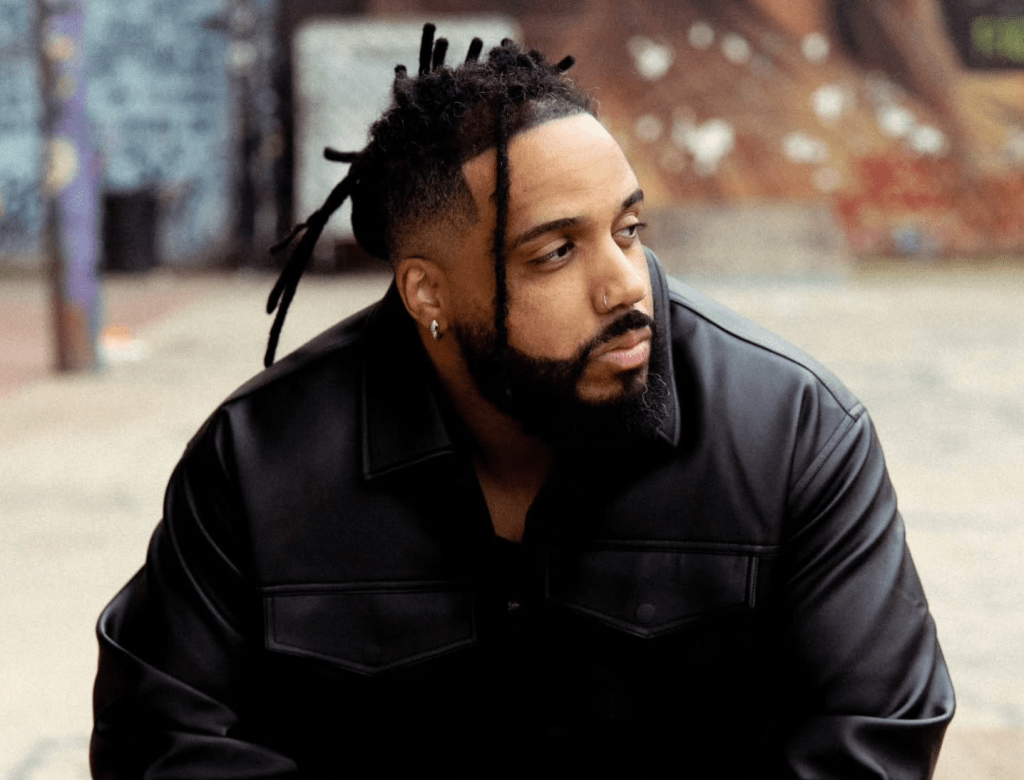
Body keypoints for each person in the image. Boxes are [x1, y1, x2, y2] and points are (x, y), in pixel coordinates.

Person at [91, 24, 954, 778]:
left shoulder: (792, 431)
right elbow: (162, 739)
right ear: (428, 292)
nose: (626, 285)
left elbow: (872, 736)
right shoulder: (260, 462)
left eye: (628, 230)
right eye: (555, 254)